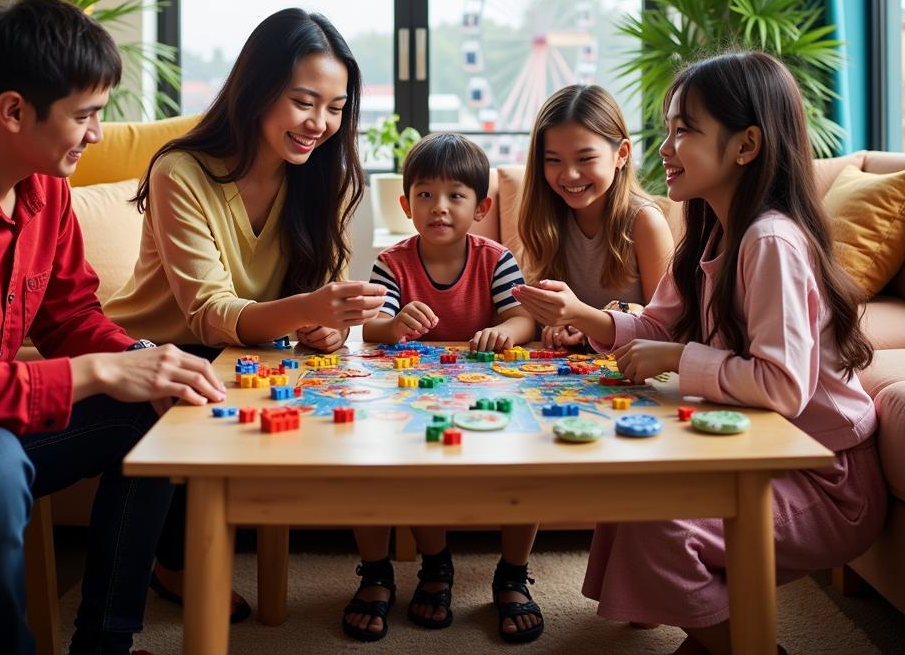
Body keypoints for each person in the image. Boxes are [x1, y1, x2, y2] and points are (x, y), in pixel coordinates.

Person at [0, 0, 225, 655]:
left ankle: (104, 645)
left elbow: (70, 316)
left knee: (151, 412)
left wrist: (142, 360)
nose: (97, 133)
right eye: (85, 114)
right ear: (13, 110)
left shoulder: (45, 189)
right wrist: (96, 371)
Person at [518, 52, 887, 655]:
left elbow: (782, 386)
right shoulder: (713, 231)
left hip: (824, 476)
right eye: (668, 128)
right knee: (632, 491)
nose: (666, 146)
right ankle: (710, 630)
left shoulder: (770, 240)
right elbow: (657, 323)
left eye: (684, 129)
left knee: (657, 527)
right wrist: (595, 321)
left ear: (746, 146)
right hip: (766, 449)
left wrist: (672, 358)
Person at [104, 7, 386, 616]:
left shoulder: (322, 176)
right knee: (193, 387)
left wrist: (326, 329)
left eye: (336, 108)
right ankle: (174, 565)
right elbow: (207, 313)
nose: (321, 124)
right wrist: (306, 309)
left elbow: (315, 308)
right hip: (155, 348)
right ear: (257, 91)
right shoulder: (180, 172)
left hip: (247, 353)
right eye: (304, 102)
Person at [343, 132, 543, 644]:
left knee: (530, 465)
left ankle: (514, 573)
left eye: (456, 195)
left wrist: (507, 330)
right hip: (415, 390)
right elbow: (373, 328)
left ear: (482, 207)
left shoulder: (495, 258)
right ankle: (429, 566)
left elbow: (524, 320)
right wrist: (397, 323)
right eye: (426, 195)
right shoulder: (393, 261)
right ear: (407, 204)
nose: (440, 207)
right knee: (404, 465)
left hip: (491, 386)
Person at [515, 84, 674, 352]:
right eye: (553, 160)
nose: (569, 175)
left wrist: (583, 318)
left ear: (621, 154)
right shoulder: (545, 217)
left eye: (585, 158)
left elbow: (666, 329)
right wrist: (553, 325)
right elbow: (535, 316)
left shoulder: (644, 221)